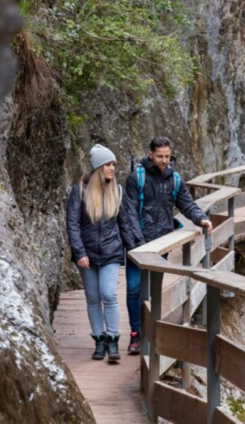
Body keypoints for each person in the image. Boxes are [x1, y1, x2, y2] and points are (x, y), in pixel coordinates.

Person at [124, 136, 212, 354]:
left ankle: (150, 330)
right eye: (160, 156)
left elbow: (186, 203)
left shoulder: (174, 179)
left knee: (154, 289)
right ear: (150, 154)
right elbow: (129, 213)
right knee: (135, 288)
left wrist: (200, 218)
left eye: (167, 156)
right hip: (138, 245)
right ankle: (136, 334)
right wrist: (139, 245)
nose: (164, 160)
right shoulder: (137, 179)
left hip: (162, 244)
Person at [66, 144, 136, 362]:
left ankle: (113, 340)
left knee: (109, 294)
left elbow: (125, 223)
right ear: (98, 167)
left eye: (114, 164)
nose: (112, 168)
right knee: (93, 298)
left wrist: (134, 249)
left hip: (111, 252)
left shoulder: (118, 191)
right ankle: (99, 340)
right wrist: (79, 253)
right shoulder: (80, 190)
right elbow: (73, 224)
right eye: (108, 164)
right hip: (86, 253)